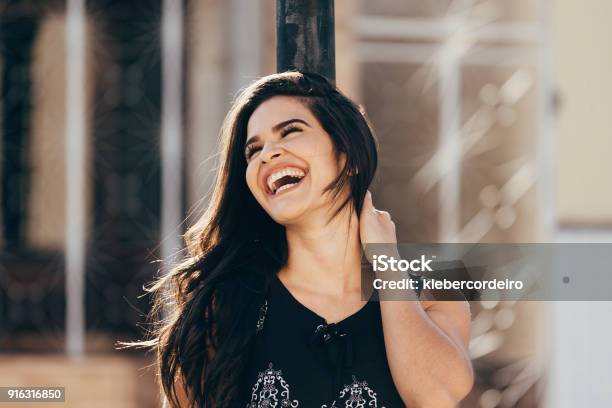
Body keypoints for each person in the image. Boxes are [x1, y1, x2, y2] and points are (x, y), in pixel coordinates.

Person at [141, 71, 473, 408]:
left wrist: (387, 262)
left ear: (348, 155)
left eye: (290, 131)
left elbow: (436, 396)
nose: (267, 154)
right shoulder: (221, 308)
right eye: (253, 150)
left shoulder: (433, 294)